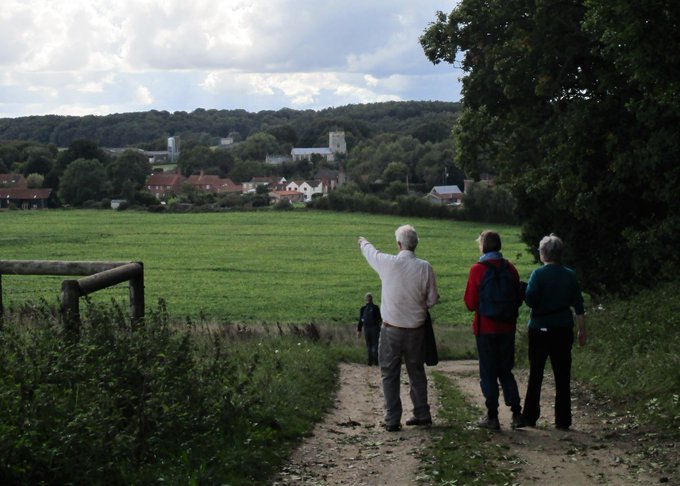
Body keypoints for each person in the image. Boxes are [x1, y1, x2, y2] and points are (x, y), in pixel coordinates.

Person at [358, 225, 439, 432]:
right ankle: (422, 413)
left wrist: (363, 242)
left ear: (398, 244)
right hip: (416, 330)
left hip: (391, 329)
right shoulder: (425, 267)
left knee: (389, 373)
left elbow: (371, 253)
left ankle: (392, 418)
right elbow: (431, 300)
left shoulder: (388, 263)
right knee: (416, 372)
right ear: (416, 244)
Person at [521, 234, 586, 431]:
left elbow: (531, 300)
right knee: (562, 374)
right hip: (563, 329)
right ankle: (563, 419)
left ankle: (531, 416)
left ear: (543, 254)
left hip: (540, 329)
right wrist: (582, 331)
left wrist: (524, 291)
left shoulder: (538, 275)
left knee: (536, 373)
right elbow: (579, 306)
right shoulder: (570, 275)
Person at [464, 230, 526, 430]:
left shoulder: (477, 270)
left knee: (488, 372)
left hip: (486, 329)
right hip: (507, 328)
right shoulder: (511, 269)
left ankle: (492, 416)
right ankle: (517, 413)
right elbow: (518, 298)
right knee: (506, 371)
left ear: (483, 246)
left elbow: (470, 303)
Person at [357, 292, 382, 366]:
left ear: (366, 299)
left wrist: (359, 330)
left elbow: (360, 320)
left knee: (369, 344)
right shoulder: (376, 307)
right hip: (375, 328)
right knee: (375, 344)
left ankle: (369, 361)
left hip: (366, 328)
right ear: (372, 299)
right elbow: (379, 319)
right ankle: (376, 360)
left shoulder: (363, 308)